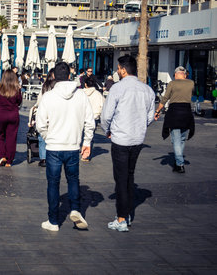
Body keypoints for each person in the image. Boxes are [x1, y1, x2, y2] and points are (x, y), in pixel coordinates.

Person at [36, 62, 94, 232]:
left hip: (53, 147)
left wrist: (49, 138)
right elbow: (90, 122)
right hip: (73, 146)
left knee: (53, 184)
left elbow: (40, 125)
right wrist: (86, 142)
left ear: (53, 76)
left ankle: (53, 221)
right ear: (69, 75)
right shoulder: (81, 95)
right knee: (73, 180)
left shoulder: (48, 96)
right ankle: (75, 209)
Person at [101, 55, 155, 232]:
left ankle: (122, 218)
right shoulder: (147, 90)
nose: (117, 71)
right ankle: (127, 213)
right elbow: (149, 116)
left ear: (124, 69)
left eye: (118, 68)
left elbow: (106, 115)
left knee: (121, 178)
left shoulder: (118, 88)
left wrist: (107, 130)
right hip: (137, 139)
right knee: (129, 176)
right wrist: (140, 127)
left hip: (121, 139)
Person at [154, 66, 194, 173]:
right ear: (184, 74)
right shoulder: (191, 83)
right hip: (186, 113)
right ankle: (178, 163)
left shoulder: (172, 83)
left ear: (176, 74)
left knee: (176, 139)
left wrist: (157, 111)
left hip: (175, 112)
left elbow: (165, 98)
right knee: (182, 139)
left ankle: (180, 164)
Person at [0, 70, 22, 167]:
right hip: (13, 115)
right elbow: (19, 101)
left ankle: (2, 156)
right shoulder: (16, 89)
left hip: (1, 114)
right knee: (11, 137)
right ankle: (9, 161)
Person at [28, 68, 56, 167]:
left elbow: (39, 101)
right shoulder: (55, 86)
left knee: (42, 136)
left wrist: (36, 106)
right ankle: (49, 158)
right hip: (53, 115)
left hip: (44, 114)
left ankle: (43, 158)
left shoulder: (45, 86)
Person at [82, 76, 105, 162]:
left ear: (85, 84)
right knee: (90, 136)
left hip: (82, 118)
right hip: (94, 117)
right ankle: (86, 155)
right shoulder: (98, 94)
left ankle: (80, 150)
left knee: (81, 136)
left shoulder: (81, 93)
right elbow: (103, 105)